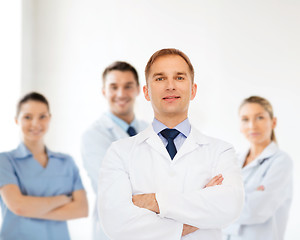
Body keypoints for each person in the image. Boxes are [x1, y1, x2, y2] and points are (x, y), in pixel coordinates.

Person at [98, 48, 244, 240]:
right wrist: (201, 208)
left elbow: (230, 205)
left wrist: (153, 201)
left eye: (180, 78)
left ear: (193, 90)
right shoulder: (119, 153)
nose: (170, 86)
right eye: (160, 78)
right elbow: (115, 223)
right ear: (146, 92)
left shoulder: (220, 151)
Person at [0, 92, 88, 240]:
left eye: (42, 116)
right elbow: (18, 206)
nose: (36, 123)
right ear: (16, 120)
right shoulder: (5, 161)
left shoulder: (66, 162)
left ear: (50, 118)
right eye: (27, 117)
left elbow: (81, 209)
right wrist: (62, 200)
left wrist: (30, 209)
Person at [81, 61, 148, 239]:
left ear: (138, 90)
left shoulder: (151, 131)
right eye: (114, 87)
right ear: (104, 92)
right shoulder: (94, 135)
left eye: (128, 86)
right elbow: (114, 188)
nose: (121, 94)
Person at [223, 96, 293, 240]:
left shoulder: (281, 162)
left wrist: (215, 207)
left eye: (259, 118)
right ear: (240, 126)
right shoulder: (233, 160)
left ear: (273, 122)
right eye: (245, 119)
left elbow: (256, 210)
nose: (252, 125)